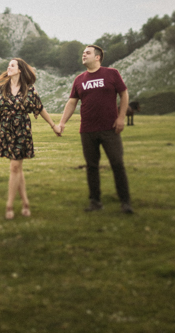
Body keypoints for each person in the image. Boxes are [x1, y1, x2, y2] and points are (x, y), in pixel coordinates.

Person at [57, 44, 134, 214]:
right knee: (91, 166)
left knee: (117, 163)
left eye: (87, 53)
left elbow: (124, 94)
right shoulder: (79, 79)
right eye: (83, 53)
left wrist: (121, 118)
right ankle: (95, 202)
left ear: (97, 57)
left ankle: (125, 202)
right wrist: (62, 123)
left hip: (109, 128)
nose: (84, 55)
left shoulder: (111, 74)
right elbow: (72, 102)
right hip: (87, 130)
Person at [0, 57, 61, 220]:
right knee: (18, 168)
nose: (9, 67)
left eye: (12, 65)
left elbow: (40, 108)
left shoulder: (29, 90)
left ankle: (9, 205)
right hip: (7, 131)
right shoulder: (2, 89)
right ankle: (25, 203)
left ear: (20, 69)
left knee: (15, 167)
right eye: (8, 65)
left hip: (22, 130)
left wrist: (53, 126)